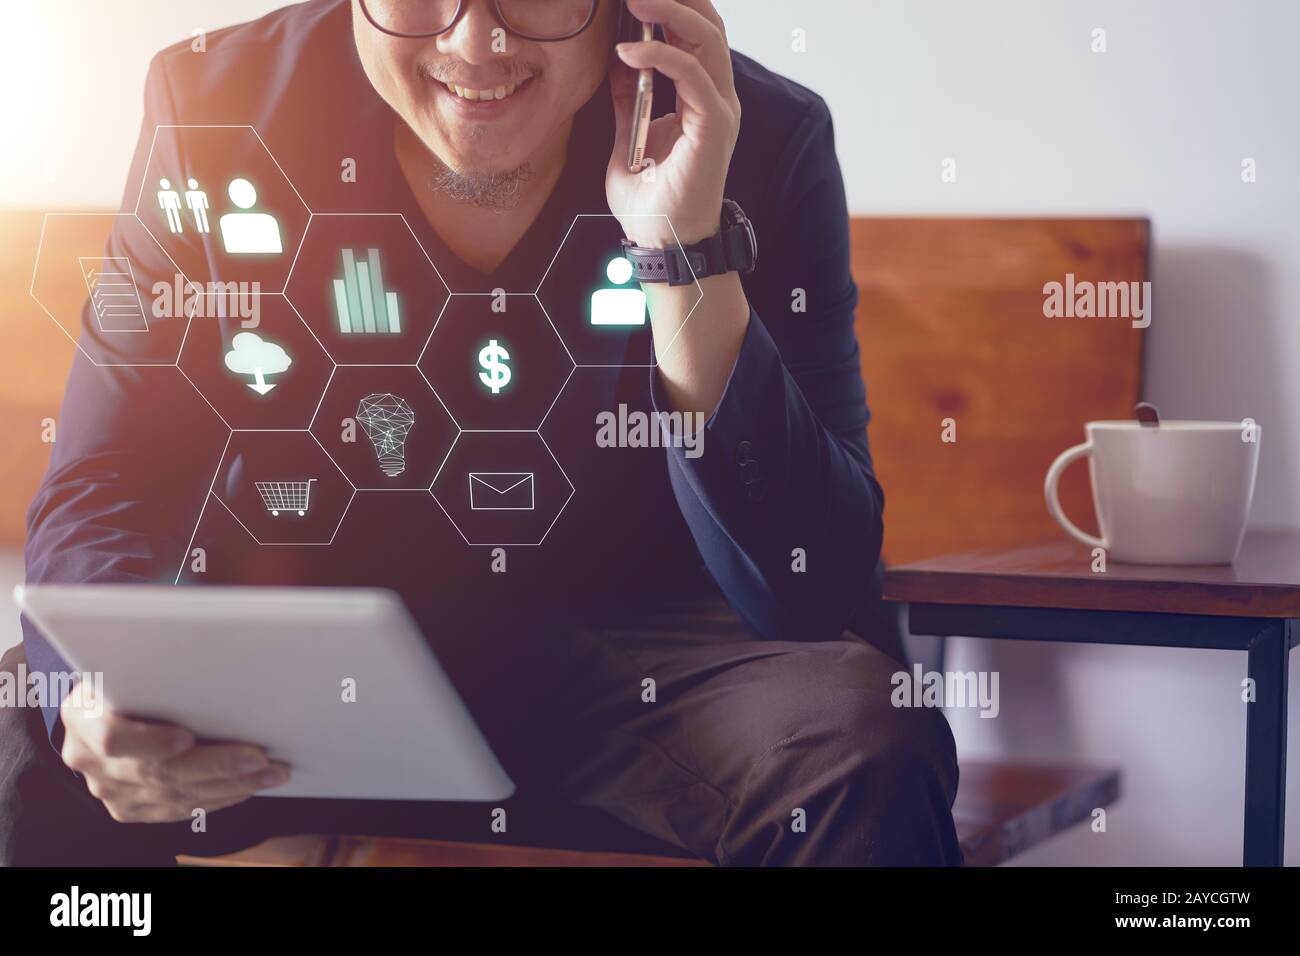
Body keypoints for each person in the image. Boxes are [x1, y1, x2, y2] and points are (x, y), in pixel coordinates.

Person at [13, 0, 962, 866]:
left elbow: (811, 583)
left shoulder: (761, 136)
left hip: (650, 667)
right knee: (35, 724)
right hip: (316, 662)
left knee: (859, 743)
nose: (477, 42)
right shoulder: (212, 102)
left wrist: (687, 254)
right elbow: (106, 474)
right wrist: (91, 688)